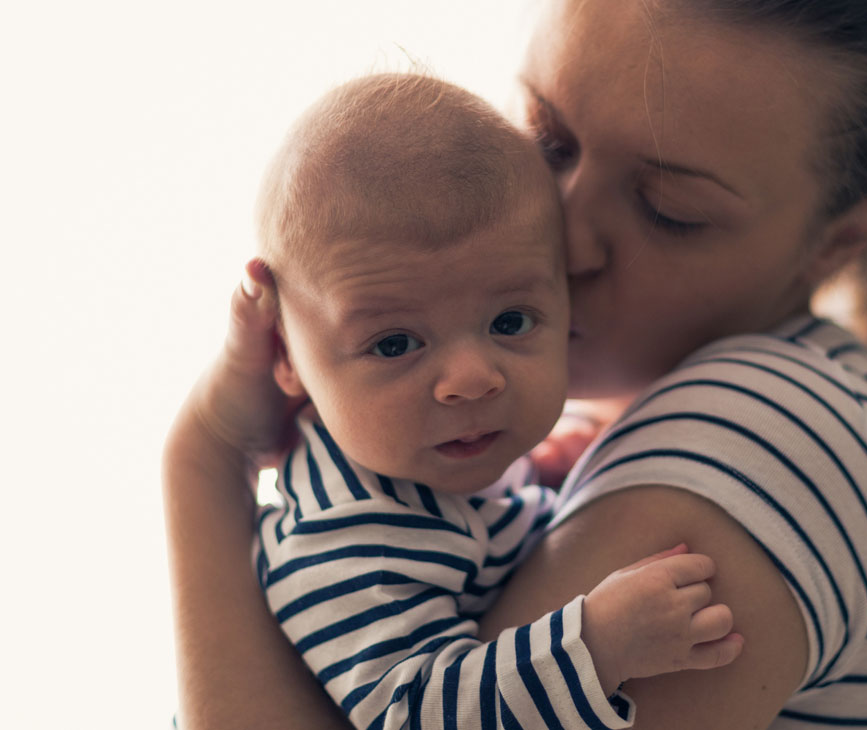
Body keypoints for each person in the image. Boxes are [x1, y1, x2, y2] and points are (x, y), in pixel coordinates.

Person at [163, 0, 867, 727]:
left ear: (838, 243)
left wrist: (202, 455)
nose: (561, 235)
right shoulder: (759, 412)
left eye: (669, 208)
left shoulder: (770, 430)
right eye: (548, 139)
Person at [244, 72, 742, 729]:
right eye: (395, 344)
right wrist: (597, 645)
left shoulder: (426, 451)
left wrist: (538, 472)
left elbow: (479, 528)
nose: (472, 380)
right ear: (285, 354)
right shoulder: (345, 536)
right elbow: (412, 714)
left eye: (510, 322)